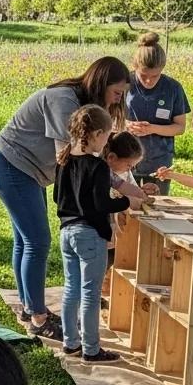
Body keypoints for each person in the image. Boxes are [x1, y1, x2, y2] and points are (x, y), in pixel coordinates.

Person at [0, 56, 130, 338]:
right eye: (116, 93)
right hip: (11, 165)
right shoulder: (64, 101)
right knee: (37, 241)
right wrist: (121, 190)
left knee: (25, 241)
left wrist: (119, 182)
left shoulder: (82, 105)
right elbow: (71, 159)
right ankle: (39, 318)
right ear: (101, 83)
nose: (116, 101)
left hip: (28, 171)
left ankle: (30, 308)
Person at [54, 105, 130, 363]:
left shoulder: (64, 159)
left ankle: (70, 342)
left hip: (66, 231)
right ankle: (91, 348)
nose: (107, 142)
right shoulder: (97, 166)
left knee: (71, 288)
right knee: (90, 293)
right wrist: (125, 202)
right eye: (107, 136)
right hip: (89, 234)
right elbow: (101, 204)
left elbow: (56, 197)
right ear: (97, 134)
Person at [125, 33, 190, 195]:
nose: (149, 81)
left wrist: (152, 128)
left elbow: (180, 127)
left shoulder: (173, 88)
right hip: (125, 158)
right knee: (125, 208)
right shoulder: (125, 83)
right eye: (143, 76)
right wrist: (127, 125)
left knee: (157, 209)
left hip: (158, 163)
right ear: (135, 68)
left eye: (155, 76)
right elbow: (107, 117)